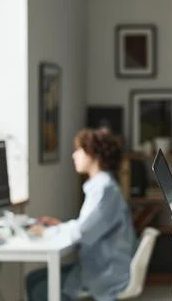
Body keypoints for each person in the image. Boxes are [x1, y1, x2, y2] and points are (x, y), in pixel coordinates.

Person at [26, 128, 137, 301]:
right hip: (99, 265)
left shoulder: (104, 190)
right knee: (33, 279)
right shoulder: (100, 186)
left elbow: (82, 233)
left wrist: (45, 232)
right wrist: (60, 226)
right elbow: (87, 226)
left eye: (78, 150)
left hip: (105, 273)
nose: (74, 156)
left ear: (93, 154)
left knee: (41, 290)